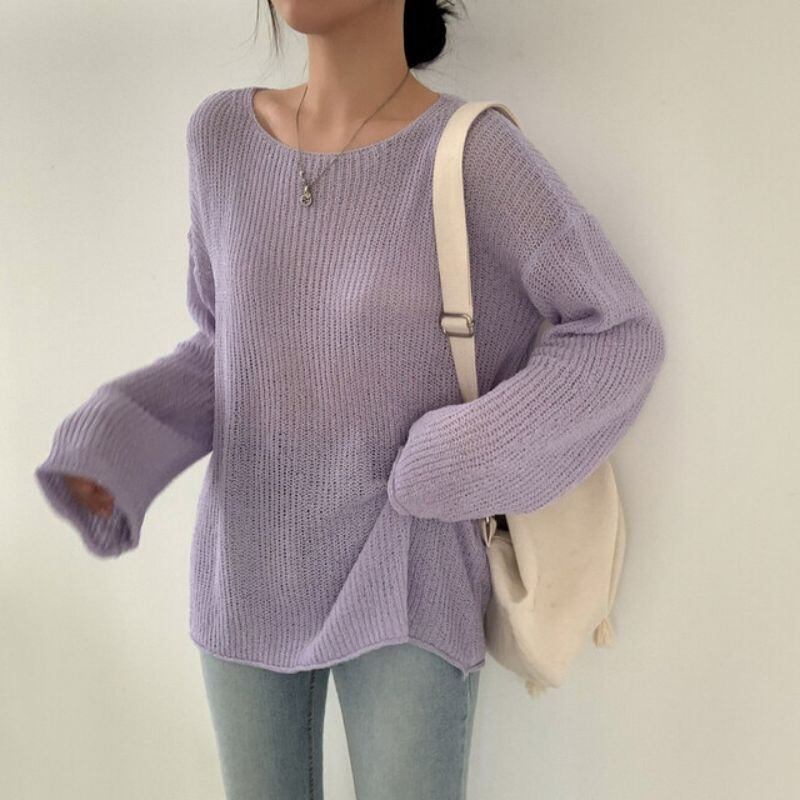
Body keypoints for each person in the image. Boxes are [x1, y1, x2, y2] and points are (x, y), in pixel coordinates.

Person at [34, 0, 667, 797]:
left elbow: (619, 333)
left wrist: (457, 458)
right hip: (246, 565)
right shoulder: (220, 139)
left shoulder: (472, 154)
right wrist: (114, 441)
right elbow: (230, 351)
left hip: (405, 570)